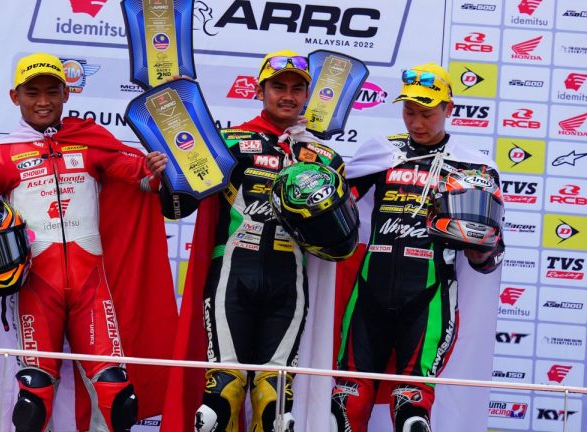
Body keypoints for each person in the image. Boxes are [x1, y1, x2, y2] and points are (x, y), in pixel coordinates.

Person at [0, 52, 178, 432]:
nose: (43, 101)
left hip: (92, 287)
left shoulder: (89, 141)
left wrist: (155, 172)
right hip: (36, 288)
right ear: (14, 97)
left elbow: (140, 180)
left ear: (66, 94)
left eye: (52, 92)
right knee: (35, 393)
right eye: (32, 92)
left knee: (116, 389)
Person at [157, 50, 348, 432]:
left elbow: (341, 241)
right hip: (231, 276)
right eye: (278, 87)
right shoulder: (228, 142)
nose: (287, 95)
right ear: (259, 91)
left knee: (276, 403)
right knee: (220, 397)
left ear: (307, 95)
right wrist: (168, 168)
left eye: (297, 88)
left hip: (289, 282)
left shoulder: (326, 157)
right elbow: (177, 206)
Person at [329, 62, 505, 432]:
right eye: (409, 112)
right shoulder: (382, 152)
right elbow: (338, 208)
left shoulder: (473, 167)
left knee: (412, 406)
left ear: (449, 109)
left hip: (430, 295)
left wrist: (479, 249)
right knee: (346, 402)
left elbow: (490, 257)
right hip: (369, 291)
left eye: (427, 113)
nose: (417, 122)